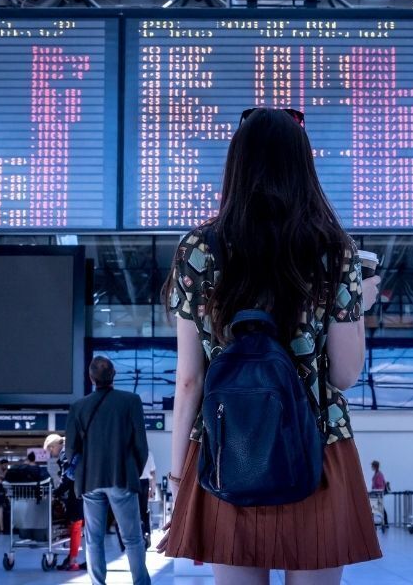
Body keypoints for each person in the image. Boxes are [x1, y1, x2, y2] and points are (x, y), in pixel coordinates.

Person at [159, 108, 383, 584]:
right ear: (303, 166)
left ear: (236, 165)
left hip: (227, 446)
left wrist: (179, 477)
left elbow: (189, 379)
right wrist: (359, 304)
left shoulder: (198, 249)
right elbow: (344, 374)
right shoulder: (334, 249)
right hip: (318, 446)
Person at [66, 356, 150, 585]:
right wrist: (134, 470)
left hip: (89, 481)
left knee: (93, 539)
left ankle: (97, 583)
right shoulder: (131, 401)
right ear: (114, 375)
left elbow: (70, 449)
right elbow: (141, 446)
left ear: (91, 377)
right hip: (122, 477)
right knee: (132, 539)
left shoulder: (78, 407)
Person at [45, 433, 85, 572]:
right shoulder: (77, 451)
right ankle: (72, 558)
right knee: (78, 528)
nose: (51, 452)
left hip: (75, 496)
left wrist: (56, 493)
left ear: (56, 445)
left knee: (75, 527)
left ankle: (73, 560)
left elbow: (68, 478)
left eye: (50, 448)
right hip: (84, 493)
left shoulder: (65, 454)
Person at [140, 452, 156, 548]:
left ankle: (142, 536)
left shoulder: (127, 448)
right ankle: (146, 534)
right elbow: (152, 472)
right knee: (144, 511)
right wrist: (152, 489)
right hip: (144, 483)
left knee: (136, 512)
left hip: (133, 482)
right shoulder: (148, 452)